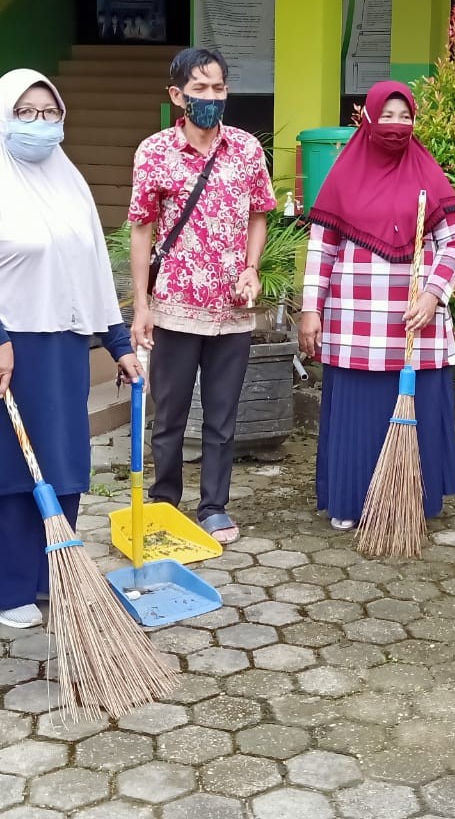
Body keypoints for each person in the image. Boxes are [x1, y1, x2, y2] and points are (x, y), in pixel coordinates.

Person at [0, 70, 141, 629]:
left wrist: (118, 343)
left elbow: (95, 267)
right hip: (1, 348)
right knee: (7, 468)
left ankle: (54, 574)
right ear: (1, 117)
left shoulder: (68, 180)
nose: (39, 123)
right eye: (25, 112)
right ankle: (4, 589)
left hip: (64, 347)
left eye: (49, 112)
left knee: (62, 463)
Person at [299, 82, 455, 530]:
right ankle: (352, 501)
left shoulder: (428, 175)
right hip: (355, 319)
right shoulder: (342, 176)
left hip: (417, 320)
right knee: (360, 410)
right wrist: (310, 309)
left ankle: (412, 499)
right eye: (387, 116)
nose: (396, 125)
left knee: (417, 406)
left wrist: (432, 296)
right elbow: (322, 249)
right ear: (370, 118)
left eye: (404, 116)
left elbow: (454, 241)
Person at [128, 47, 275, 546]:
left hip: (231, 312)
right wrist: (141, 306)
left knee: (222, 416)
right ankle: (164, 501)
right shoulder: (153, 152)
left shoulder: (247, 150)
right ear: (177, 95)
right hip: (173, 306)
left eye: (218, 88)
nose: (210, 98)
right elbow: (142, 231)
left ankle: (213, 505)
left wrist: (251, 268)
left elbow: (260, 212)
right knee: (168, 416)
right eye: (199, 89)